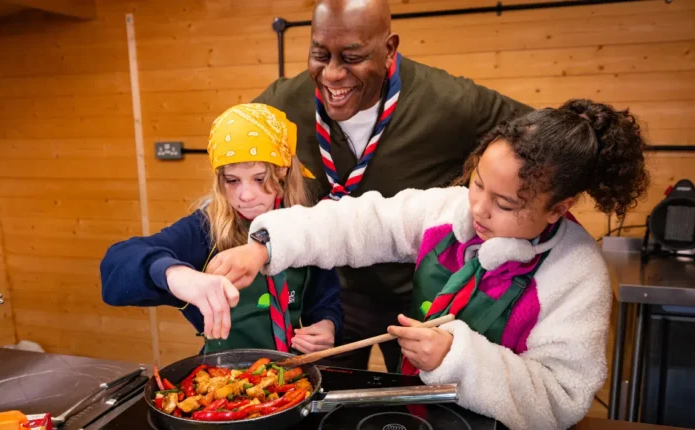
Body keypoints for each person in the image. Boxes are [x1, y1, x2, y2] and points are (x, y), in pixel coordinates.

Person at [206, 99, 650, 429]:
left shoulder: (576, 274)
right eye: (477, 184)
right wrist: (266, 244)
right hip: (421, 413)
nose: (478, 209)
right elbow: (360, 221)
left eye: (505, 204)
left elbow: (562, 397)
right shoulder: (449, 209)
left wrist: (456, 357)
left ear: (558, 208)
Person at [242, 0, 532, 371]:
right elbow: (232, 167)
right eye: (319, 54)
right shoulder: (282, 103)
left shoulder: (448, 102)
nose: (332, 74)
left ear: (389, 49)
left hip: (425, 299)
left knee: (420, 409)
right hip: (330, 299)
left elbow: (542, 143)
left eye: (351, 56)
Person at [100, 103, 342, 354]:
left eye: (259, 179)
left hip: (296, 376)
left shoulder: (306, 225)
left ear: (283, 170)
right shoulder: (205, 231)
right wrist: (175, 274)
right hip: (225, 378)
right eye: (232, 180)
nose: (246, 195)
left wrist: (327, 324)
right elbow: (116, 267)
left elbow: (325, 298)